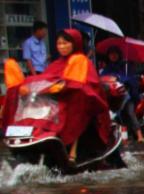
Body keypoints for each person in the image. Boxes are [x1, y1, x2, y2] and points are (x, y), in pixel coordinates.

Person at [3, 29, 110, 165]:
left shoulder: (82, 62)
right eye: (59, 44)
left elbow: (87, 87)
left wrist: (67, 87)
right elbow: (43, 81)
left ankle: (72, 154)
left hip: (77, 105)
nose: (62, 47)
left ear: (75, 43)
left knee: (76, 110)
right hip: (54, 106)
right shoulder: (54, 65)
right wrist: (26, 87)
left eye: (65, 43)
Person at [101, 46, 144, 142]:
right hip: (112, 96)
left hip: (126, 95)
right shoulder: (107, 68)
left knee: (130, 112)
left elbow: (132, 79)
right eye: (111, 54)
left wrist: (120, 78)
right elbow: (102, 78)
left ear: (119, 54)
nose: (113, 56)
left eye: (115, 53)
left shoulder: (126, 66)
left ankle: (140, 135)